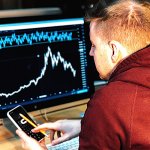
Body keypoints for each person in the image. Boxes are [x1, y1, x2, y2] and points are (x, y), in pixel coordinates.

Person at [16, 0, 150, 149]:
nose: (90, 52)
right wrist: (87, 125)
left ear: (114, 50)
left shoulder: (108, 103)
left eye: (94, 45)